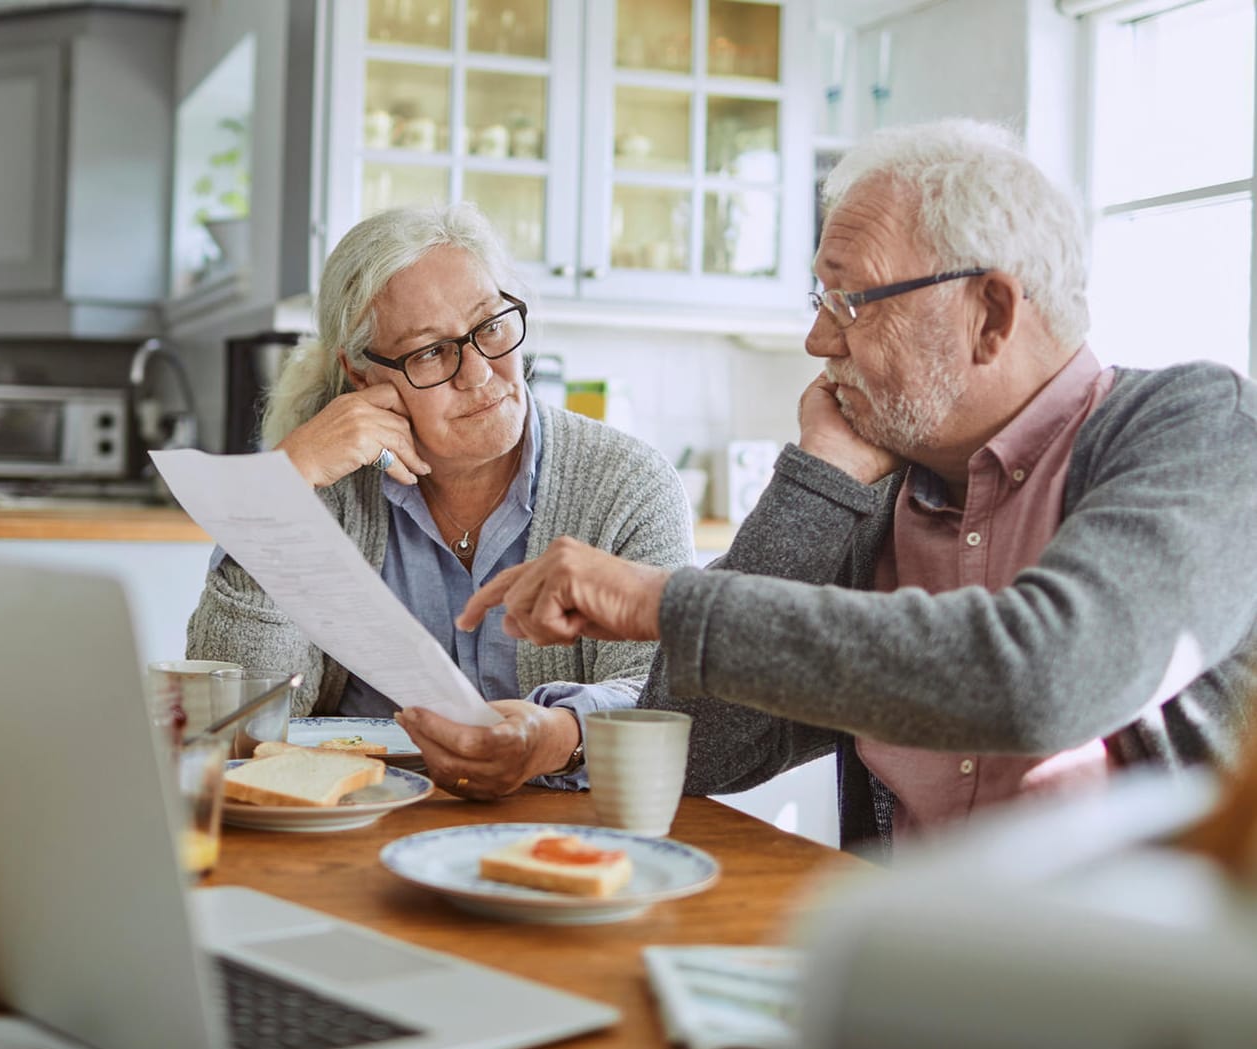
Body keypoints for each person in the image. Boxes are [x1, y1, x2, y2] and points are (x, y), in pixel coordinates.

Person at [450, 118, 1257, 854]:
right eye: (817, 299)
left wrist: (663, 600)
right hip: (898, 957)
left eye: (849, 300)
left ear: (992, 314)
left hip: (1151, 985)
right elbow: (702, 745)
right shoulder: (876, 488)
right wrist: (817, 483)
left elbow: (1047, 675)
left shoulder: (1198, 427)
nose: (815, 337)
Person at [187, 203, 694, 799]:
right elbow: (235, 722)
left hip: (564, 827)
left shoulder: (628, 484)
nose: (478, 373)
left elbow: (664, 703)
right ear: (361, 374)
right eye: (430, 351)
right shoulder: (328, 486)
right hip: (353, 823)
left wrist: (559, 734)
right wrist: (280, 489)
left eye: (491, 327)